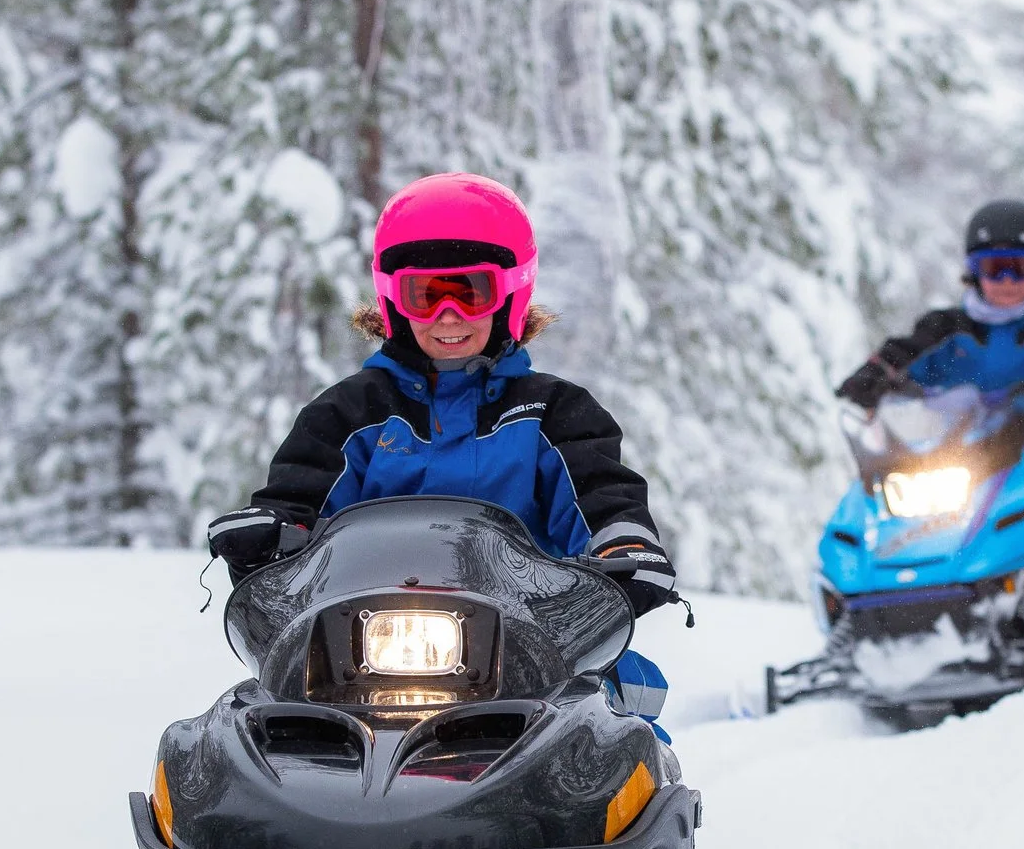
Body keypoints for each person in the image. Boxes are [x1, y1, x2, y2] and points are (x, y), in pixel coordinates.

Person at [204, 171, 678, 722]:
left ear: (508, 296)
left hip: (532, 652)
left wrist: (624, 548)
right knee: (245, 729)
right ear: (393, 300)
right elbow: (299, 499)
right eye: (424, 295)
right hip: (355, 659)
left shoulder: (555, 414)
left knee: (617, 738)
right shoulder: (347, 416)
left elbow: (601, 497)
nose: (447, 316)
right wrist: (266, 535)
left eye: (469, 293)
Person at [836, 198, 1024, 549]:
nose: (1007, 281)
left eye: (1020, 268)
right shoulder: (947, 329)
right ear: (973, 272)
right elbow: (900, 354)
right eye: (995, 268)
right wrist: (872, 377)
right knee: (884, 520)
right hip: (959, 462)